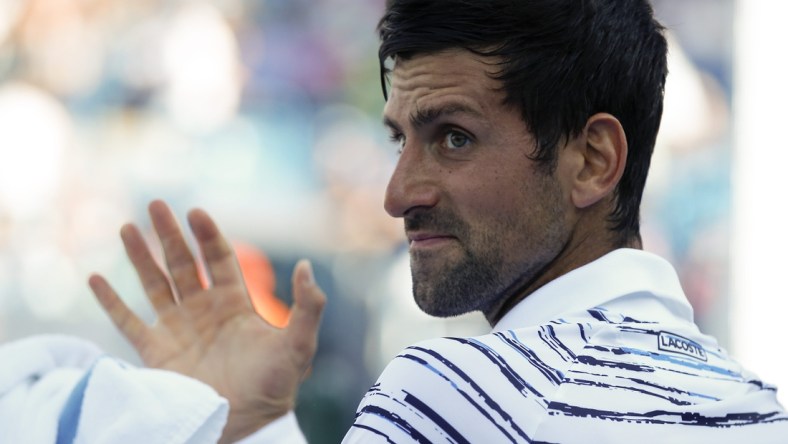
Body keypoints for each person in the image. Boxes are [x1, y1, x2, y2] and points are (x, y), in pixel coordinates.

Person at [12, 0, 786, 442]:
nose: (397, 191)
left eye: (452, 136)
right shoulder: (758, 411)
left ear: (592, 159)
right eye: (399, 138)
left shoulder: (453, 392)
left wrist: (194, 423)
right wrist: (254, 422)